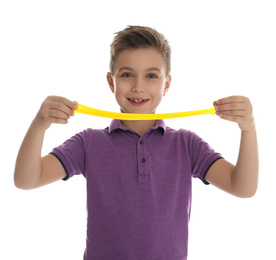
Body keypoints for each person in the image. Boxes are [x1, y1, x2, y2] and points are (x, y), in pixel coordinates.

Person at [14, 26, 258, 260]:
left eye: (151, 75)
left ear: (167, 84)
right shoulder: (89, 142)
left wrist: (248, 127)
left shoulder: (186, 144)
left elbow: (243, 188)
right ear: (112, 82)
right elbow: (26, 180)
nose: (138, 87)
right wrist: (39, 124)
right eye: (127, 74)